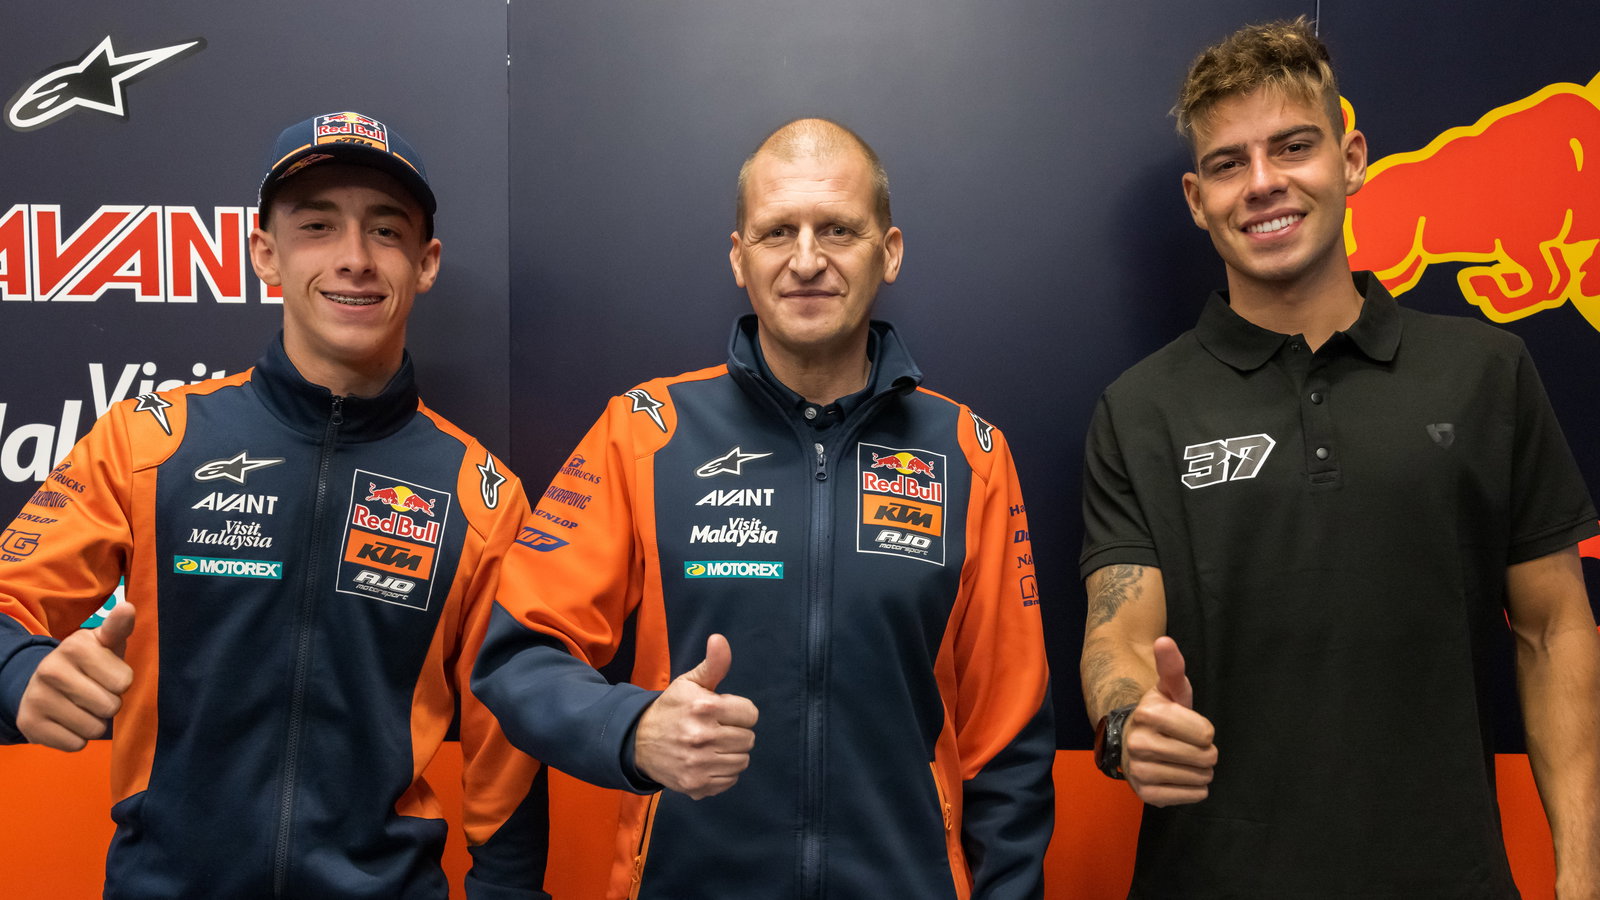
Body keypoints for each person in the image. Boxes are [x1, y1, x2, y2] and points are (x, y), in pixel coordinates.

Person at [1078, 18, 1600, 898]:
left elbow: (1555, 631)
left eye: (1293, 146)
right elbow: (1119, 630)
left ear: (1351, 159)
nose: (1263, 183)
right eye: (1228, 163)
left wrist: (1582, 876)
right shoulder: (1139, 408)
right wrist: (1131, 722)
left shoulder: (1486, 373)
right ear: (1197, 199)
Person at [474, 118, 1054, 898]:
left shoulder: (969, 454)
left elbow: (1010, 742)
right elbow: (518, 656)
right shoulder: (645, 432)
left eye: (838, 230)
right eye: (778, 231)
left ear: (889, 252)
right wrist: (631, 729)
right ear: (739, 257)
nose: (807, 260)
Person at [0, 111, 549, 898]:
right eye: (317, 226)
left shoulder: (481, 494)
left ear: (425, 263)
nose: (354, 258)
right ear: (265, 254)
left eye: (386, 230)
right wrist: (18, 672)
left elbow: (509, 740)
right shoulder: (148, 441)